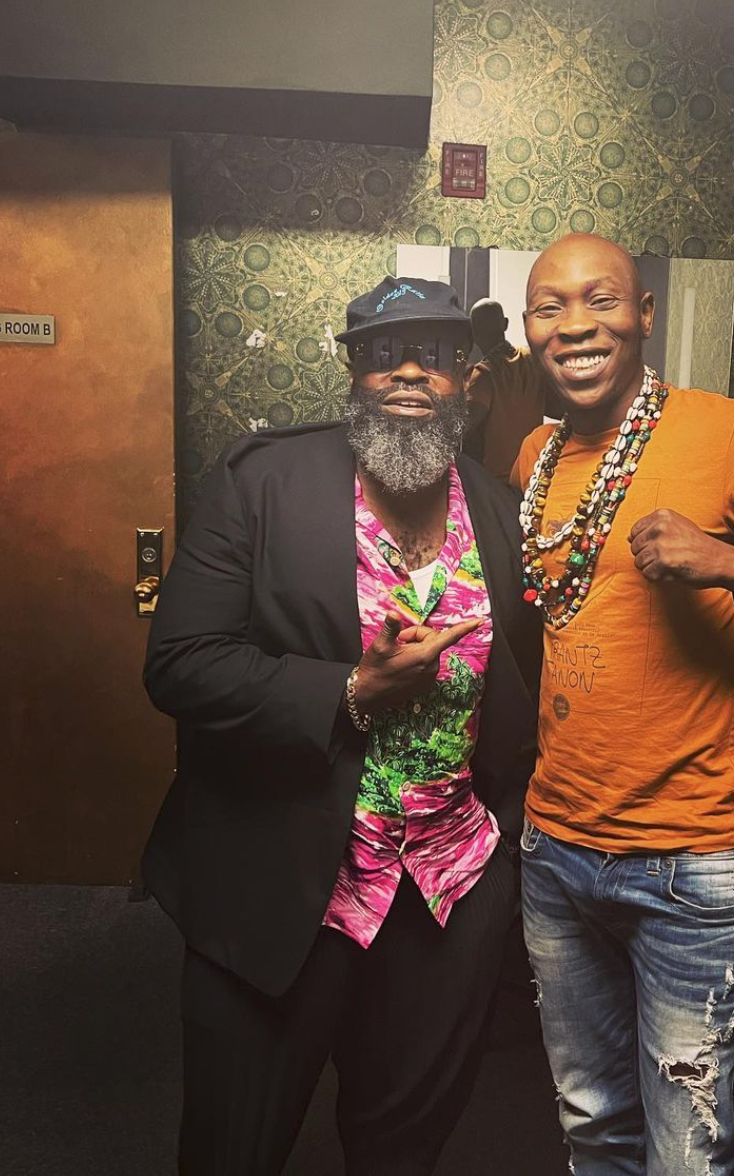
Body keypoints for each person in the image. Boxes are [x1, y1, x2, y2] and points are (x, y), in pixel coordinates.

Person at [142, 276, 541, 1176]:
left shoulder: (498, 510)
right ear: (353, 372)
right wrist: (351, 691)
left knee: (402, 1147)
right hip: (284, 883)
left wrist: (505, 855)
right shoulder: (261, 484)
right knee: (233, 1149)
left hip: (445, 895)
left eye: (435, 355)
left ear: (468, 378)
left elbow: (524, 684)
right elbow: (180, 664)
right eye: (381, 353)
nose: (409, 372)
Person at [510, 234, 734, 1176]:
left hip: (690, 863)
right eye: (550, 307)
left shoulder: (733, 434)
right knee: (591, 1123)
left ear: (644, 314)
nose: (575, 325)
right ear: (529, 331)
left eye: (601, 300)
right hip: (555, 851)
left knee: (691, 1150)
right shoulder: (534, 459)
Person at [463, 297, 555, 481]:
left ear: (473, 333)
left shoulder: (484, 374)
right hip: (532, 472)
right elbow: (555, 408)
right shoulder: (532, 361)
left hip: (498, 479)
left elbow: (465, 427)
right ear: (505, 324)